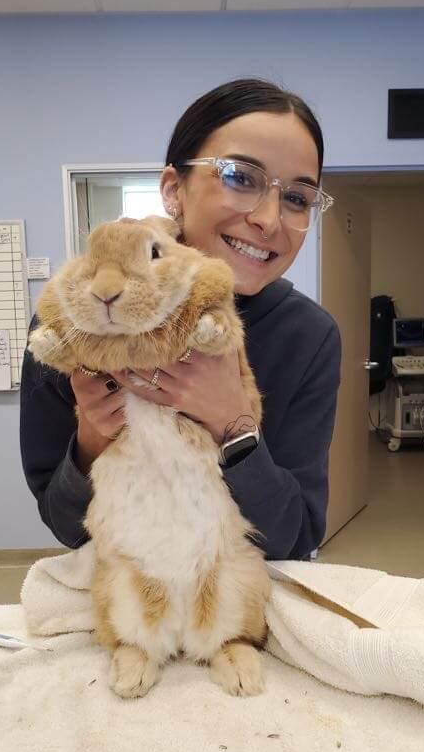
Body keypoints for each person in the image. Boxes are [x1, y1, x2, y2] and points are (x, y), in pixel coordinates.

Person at [20, 78, 341, 560]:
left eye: (297, 198)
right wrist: (91, 437)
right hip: (129, 594)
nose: (270, 220)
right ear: (174, 189)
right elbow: (65, 524)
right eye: (240, 176)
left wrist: (233, 424)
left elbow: (296, 538)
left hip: (240, 601)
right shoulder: (80, 322)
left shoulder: (309, 336)